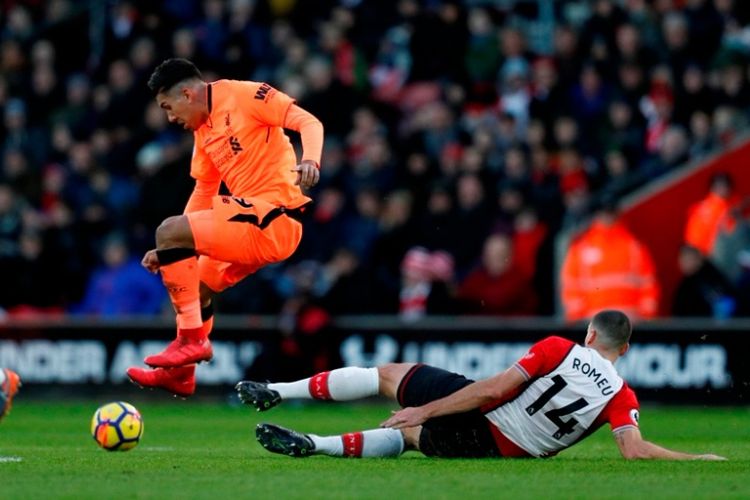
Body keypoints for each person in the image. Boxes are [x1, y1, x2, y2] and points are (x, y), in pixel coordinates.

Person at [236, 310, 724, 461]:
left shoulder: (561, 348)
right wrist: (697, 460)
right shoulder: (622, 396)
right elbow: (634, 451)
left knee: (389, 378)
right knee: (406, 436)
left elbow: (494, 391)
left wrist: (425, 409)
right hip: (502, 449)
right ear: (626, 350)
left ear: (591, 335)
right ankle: (315, 445)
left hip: (488, 414)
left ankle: (282, 389)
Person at [127, 58, 323, 397]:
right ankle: (182, 374)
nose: (170, 117)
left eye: (167, 106)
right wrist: (177, 242)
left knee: (171, 233)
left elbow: (308, 121)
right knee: (196, 286)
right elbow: (204, 191)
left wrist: (311, 159)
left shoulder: (245, 95)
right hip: (251, 223)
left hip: (275, 215)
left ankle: (191, 342)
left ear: (187, 94)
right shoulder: (204, 131)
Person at [560, 198, 659, 322]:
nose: (607, 218)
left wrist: (647, 317)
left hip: (629, 325)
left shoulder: (634, 247)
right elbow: (571, 285)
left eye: (610, 213)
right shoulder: (581, 248)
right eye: (603, 213)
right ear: (596, 214)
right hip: (594, 325)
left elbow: (648, 284)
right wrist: (577, 319)